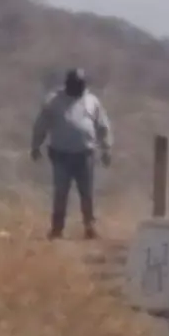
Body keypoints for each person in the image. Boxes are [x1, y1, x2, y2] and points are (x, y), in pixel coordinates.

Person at [29, 68, 114, 240]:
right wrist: (35, 146)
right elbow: (41, 125)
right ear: (68, 85)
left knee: (87, 193)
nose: (78, 89)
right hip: (61, 155)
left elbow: (103, 126)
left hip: (85, 154)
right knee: (61, 192)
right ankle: (57, 229)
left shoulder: (92, 101)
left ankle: (90, 227)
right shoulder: (54, 101)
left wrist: (107, 148)